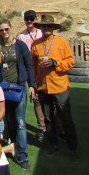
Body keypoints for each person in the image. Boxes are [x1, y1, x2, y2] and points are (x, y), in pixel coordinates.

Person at [31, 15, 79, 163]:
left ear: (53, 28)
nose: (46, 28)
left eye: (49, 26)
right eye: (44, 26)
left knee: (66, 117)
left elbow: (70, 61)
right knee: (48, 118)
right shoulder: (35, 44)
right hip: (43, 86)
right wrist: (33, 84)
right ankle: (53, 144)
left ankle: (73, 149)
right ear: (40, 28)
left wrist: (55, 63)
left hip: (59, 85)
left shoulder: (61, 42)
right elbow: (33, 66)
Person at [0, 19, 36, 171]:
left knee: (20, 122)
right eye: (1, 30)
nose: (4, 32)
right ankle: (13, 147)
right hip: (3, 88)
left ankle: (23, 155)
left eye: (6, 29)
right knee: (9, 120)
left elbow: (29, 65)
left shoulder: (20, 45)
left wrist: (32, 85)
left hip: (18, 87)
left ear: (10, 28)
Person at [16, 10, 46, 141]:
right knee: (34, 98)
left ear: (35, 19)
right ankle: (42, 127)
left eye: (31, 19)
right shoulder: (21, 36)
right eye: (27, 19)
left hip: (41, 68)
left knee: (45, 98)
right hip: (27, 69)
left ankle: (51, 126)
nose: (29, 21)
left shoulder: (41, 32)